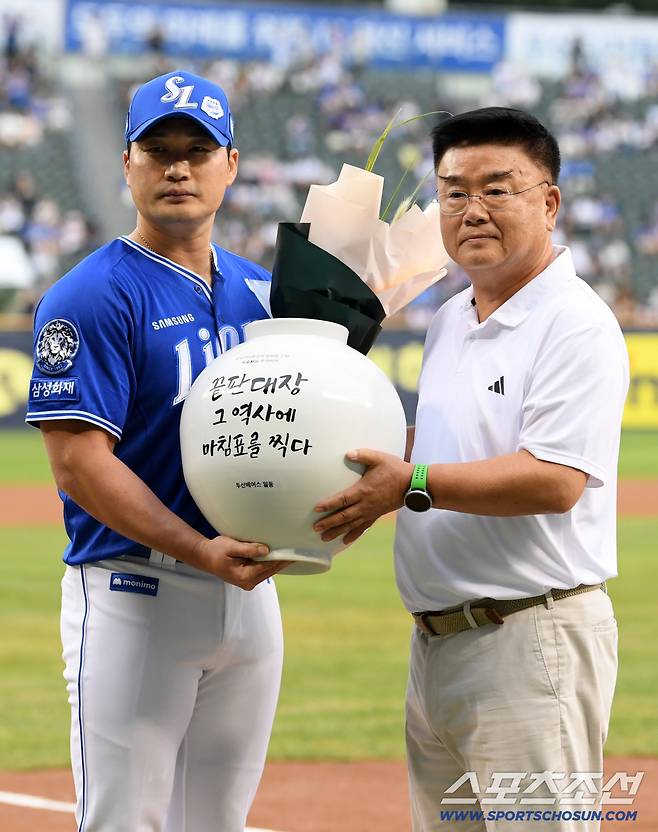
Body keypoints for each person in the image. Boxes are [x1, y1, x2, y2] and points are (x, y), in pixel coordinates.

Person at [313, 107, 629, 831]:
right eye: (454, 191)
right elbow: (451, 445)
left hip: (529, 640)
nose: (472, 209)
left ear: (548, 201)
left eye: (498, 188)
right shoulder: (453, 316)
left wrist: (410, 484)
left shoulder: (574, 322)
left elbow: (553, 480)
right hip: (439, 648)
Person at [25, 70, 286, 832]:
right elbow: (78, 463)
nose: (179, 166)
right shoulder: (90, 294)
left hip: (251, 596)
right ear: (128, 162)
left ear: (231, 165)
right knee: (124, 823)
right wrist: (202, 552)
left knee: (218, 823)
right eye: (159, 149)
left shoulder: (263, 292)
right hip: (135, 593)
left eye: (198, 150)